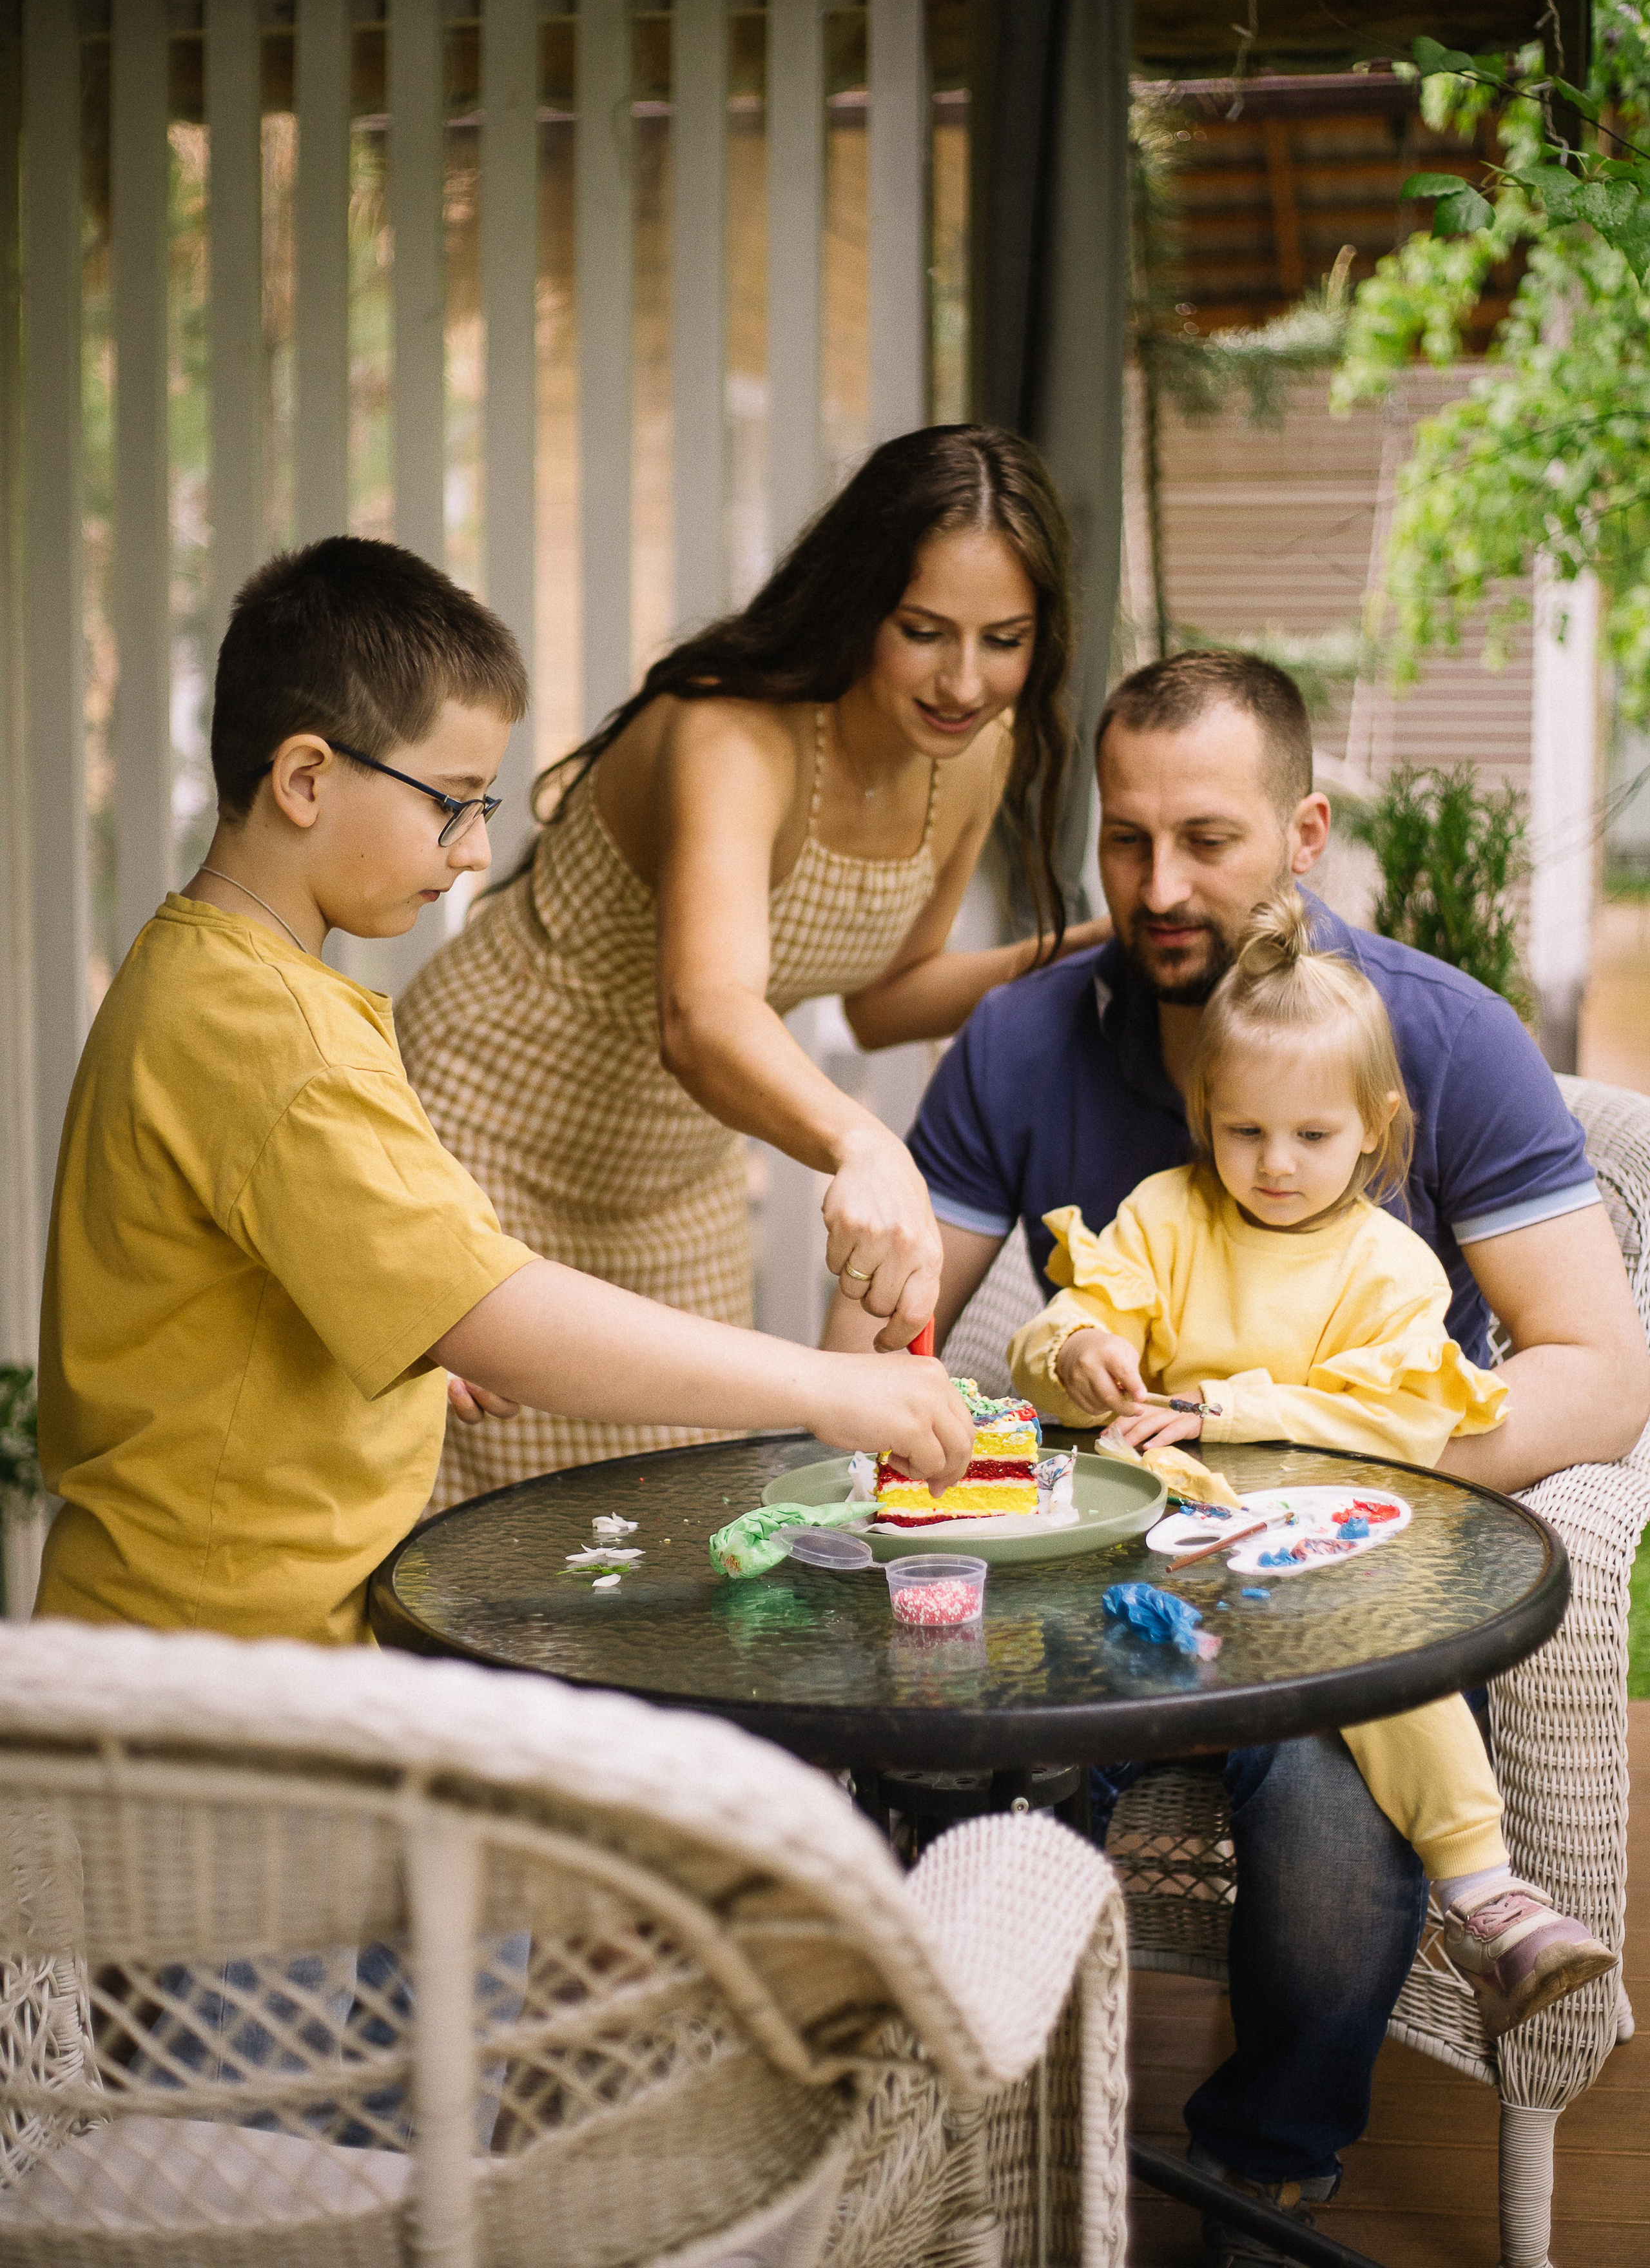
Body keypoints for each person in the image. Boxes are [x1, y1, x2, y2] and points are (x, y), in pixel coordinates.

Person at [826, 647, 1650, 2257]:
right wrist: (979, 1350)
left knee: (1333, 1791)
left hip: (1344, 1558)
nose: (1156, 884)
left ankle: (1265, 2175)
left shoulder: (1437, 1041)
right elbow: (873, 1357)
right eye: (1123, 842)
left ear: (1303, 831)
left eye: (1203, 837)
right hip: (1096, 1549)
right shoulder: (1026, 1043)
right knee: (941, 1743)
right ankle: (990, 2149)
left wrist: (1330, 1487)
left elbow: (1597, 1381)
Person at [34, 537, 973, 1648]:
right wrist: (826, 1387)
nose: (477, 851)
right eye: (453, 802)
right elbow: (497, 1315)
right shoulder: (273, 1033)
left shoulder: (200, 973)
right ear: (304, 779)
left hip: (185, 1626)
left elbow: (244, 1292)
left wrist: (397, 1360)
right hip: (224, 1665)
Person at [398, 424, 1103, 1505]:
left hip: (671, 1174)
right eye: (924, 631)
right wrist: (865, 1147)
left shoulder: (970, 755)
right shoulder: (731, 731)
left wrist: (1101, 944)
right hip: (487, 1136)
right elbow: (704, 1014)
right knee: (507, 1567)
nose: (965, 680)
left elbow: (882, 1001)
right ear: (860, 603)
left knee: (688, 1529)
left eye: (1004, 640)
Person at [1009, 885, 1614, 2042]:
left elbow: (1400, 1420)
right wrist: (1076, 1348)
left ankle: (1485, 1895)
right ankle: (1016, 2043)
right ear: (1205, 1111)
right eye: (1245, 1132)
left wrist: (1217, 1407)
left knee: (1399, 1659)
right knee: (1028, 1714)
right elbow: (1072, 1327)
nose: (1275, 1164)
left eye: (1313, 1136)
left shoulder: (1391, 1268)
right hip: (1159, 1560)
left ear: (1377, 1127)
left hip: (1324, 1558)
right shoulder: (1165, 1220)